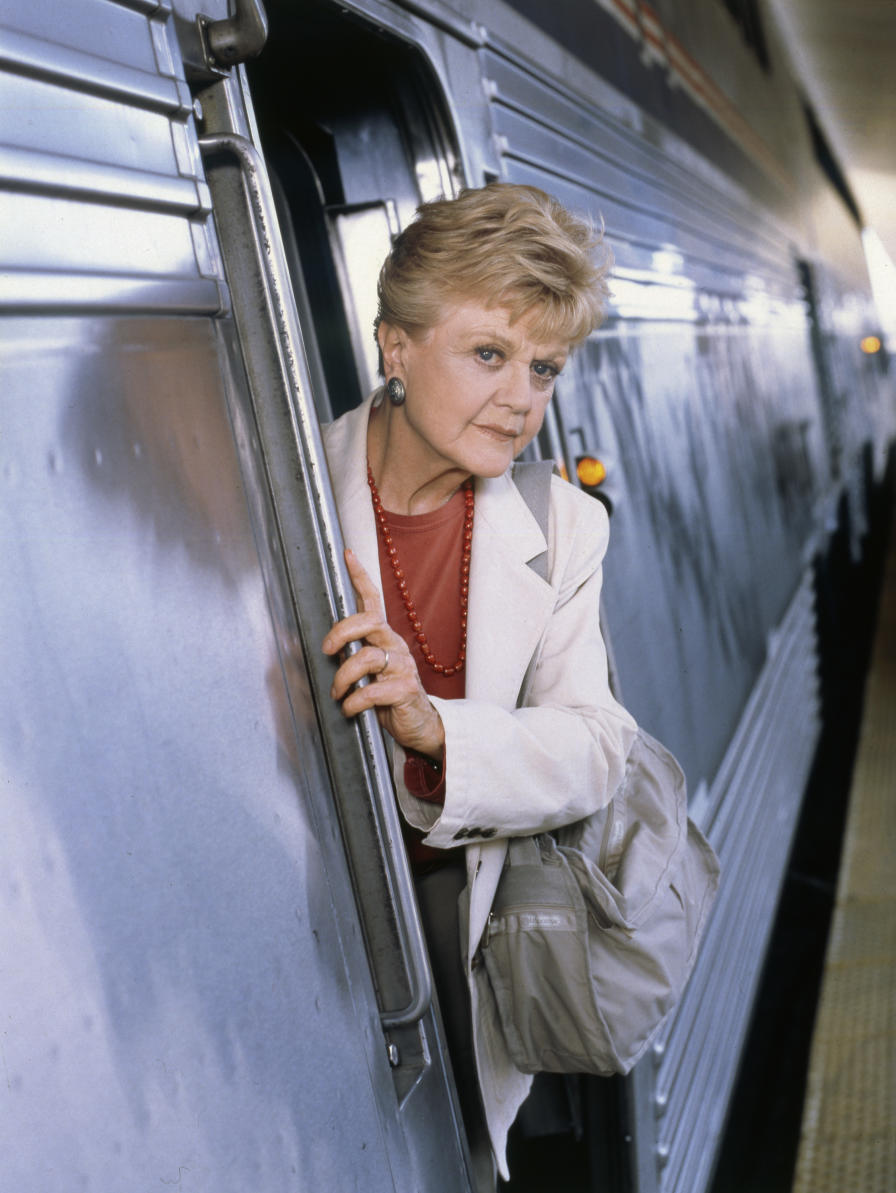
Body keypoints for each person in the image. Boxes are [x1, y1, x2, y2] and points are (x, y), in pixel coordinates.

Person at [320, 183, 637, 1187]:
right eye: (490, 354)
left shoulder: (563, 524)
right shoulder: (278, 486)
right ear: (396, 347)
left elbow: (596, 745)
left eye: (543, 367)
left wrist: (433, 727)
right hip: (319, 937)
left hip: (473, 935)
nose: (523, 398)